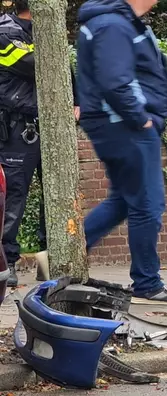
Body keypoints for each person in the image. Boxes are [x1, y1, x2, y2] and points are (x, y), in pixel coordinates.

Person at [70, 0, 167, 305]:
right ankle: (147, 283)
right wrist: (141, 118)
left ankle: (64, 251)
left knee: (124, 200)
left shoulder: (117, 22)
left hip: (119, 124)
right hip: (126, 126)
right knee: (148, 205)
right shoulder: (112, 24)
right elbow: (115, 80)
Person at [0, 0, 79, 287]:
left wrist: (77, 102)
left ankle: (50, 263)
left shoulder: (44, 32)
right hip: (18, 129)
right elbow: (42, 65)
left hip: (48, 126)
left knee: (56, 195)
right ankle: (5, 264)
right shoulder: (5, 33)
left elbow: (63, 69)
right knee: (13, 196)